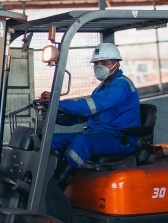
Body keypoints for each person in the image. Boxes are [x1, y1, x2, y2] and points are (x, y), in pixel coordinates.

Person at [39, 42, 140, 190]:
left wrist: (57, 102)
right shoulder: (101, 88)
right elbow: (84, 116)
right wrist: (57, 116)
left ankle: (56, 189)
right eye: (96, 63)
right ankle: (40, 181)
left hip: (119, 138)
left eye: (104, 62)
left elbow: (89, 106)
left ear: (116, 65)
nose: (99, 66)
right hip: (96, 133)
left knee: (82, 142)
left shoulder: (121, 86)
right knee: (50, 140)